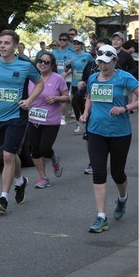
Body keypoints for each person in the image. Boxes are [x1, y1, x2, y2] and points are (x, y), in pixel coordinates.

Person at [0, 29, 44, 212]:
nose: (2, 46)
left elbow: (39, 83)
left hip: (18, 116)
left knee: (8, 156)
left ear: (15, 46)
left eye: (7, 43)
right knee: (10, 154)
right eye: (0, 42)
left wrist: (30, 100)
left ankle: (3, 197)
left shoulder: (25, 66)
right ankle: (20, 181)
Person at [79, 45, 138, 233]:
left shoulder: (124, 78)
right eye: (99, 62)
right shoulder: (92, 78)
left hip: (120, 133)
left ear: (114, 61)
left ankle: (122, 199)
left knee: (117, 173)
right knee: (98, 172)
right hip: (96, 132)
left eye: (106, 63)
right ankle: (101, 216)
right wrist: (85, 113)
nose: (102, 66)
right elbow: (89, 96)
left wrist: (125, 108)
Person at [28, 52, 69, 188]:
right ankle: (43, 177)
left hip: (51, 120)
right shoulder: (31, 79)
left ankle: (54, 159)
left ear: (52, 65)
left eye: (47, 62)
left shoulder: (58, 79)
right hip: (33, 118)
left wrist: (56, 98)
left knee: (45, 149)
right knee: (35, 150)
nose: (42, 64)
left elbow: (66, 96)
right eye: (40, 61)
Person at [78, 38, 111, 176]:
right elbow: (85, 81)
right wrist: (82, 86)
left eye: (102, 50)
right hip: (93, 107)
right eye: (97, 49)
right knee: (90, 136)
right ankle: (94, 162)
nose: (99, 52)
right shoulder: (91, 65)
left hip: (111, 112)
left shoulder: (115, 67)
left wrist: (126, 106)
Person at [66, 36, 94, 134]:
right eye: (74, 43)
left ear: (81, 44)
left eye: (78, 43)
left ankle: (82, 121)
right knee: (76, 102)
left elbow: (93, 67)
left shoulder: (87, 55)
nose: (76, 45)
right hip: (74, 83)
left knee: (75, 101)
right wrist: (67, 65)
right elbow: (66, 69)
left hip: (84, 83)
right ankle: (82, 121)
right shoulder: (70, 55)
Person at [52, 32, 73, 125]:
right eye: (60, 39)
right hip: (55, 77)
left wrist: (64, 73)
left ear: (68, 41)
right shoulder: (54, 52)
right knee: (53, 96)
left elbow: (73, 66)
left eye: (64, 40)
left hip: (66, 78)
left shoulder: (71, 52)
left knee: (62, 97)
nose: (62, 41)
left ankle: (62, 117)